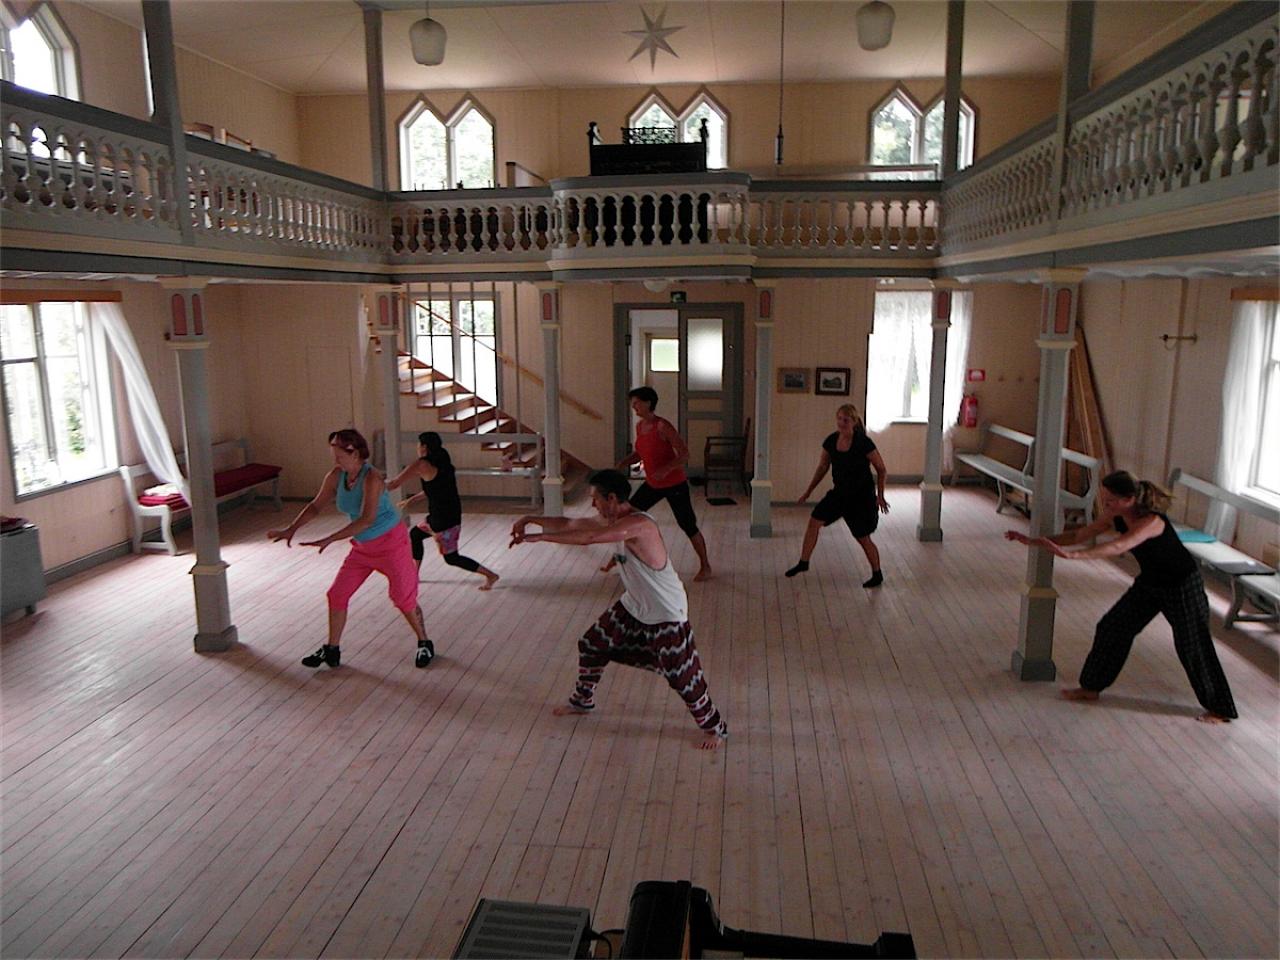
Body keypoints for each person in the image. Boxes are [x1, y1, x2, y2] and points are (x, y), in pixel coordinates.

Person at [509, 468, 728, 750]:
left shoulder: (639, 525)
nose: (593, 505)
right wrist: (531, 519)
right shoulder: (613, 519)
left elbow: (589, 538)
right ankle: (583, 701)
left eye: (596, 499)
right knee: (592, 644)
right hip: (634, 604)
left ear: (612, 498)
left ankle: (716, 728)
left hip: (666, 612)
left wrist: (541, 538)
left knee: (682, 677)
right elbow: (571, 523)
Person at [1005, 470, 1237, 723]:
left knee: (1192, 644)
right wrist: (1036, 541)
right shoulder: (1116, 515)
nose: (1106, 506)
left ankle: (1220, 709)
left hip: (1182, 585)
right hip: (1151, 582)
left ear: (1129, 499)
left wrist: (1072, 556)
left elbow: (1118, 546)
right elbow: (1078, 535)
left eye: (1110, 501)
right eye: (1104, 500)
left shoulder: (1151, 522)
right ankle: (1091, 687)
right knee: (1112, 628)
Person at [268, 429, 434, 670]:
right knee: (337, 594)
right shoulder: (337, 476)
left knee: (402, 598)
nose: (335, 460)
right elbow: (315, 506)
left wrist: (329, 539)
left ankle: (424, 641)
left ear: (355, 453)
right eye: (334, 454)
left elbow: (366, 520)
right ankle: (331, 649)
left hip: (391, 544)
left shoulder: (372, 478)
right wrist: (291, 529)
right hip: (363, 547)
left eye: (339, 455)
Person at [786, 403, 889, 586]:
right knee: (814, 522)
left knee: (863, 538)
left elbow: (881, 469)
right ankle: (803, 562)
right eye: (839, 419)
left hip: (861, 498)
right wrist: (808, 491)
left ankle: (877, 574)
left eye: (846, 420)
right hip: (839, 494)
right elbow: (822, 467)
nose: (841, 423)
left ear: (854, 422)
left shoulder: (863, 443)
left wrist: (880, 496)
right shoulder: (831, 441)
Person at [615, 386, 712, 581]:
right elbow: (641, 452)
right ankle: (629, 561)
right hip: (653, 484)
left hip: (675, 485)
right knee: (628, 515)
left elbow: (684, 454)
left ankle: (705, 566)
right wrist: (624, 463)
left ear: (648, 403)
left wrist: (666, 469)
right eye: (632, 403)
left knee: (687, 524)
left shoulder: (662, 426)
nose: (634, 407)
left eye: (636, 403)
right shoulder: (640, 427)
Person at [388, 431, 499, 591]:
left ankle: (491, 575)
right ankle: (414, 574)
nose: (417, 447)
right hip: (447, 514)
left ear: (424, 447)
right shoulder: (442, 460)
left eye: (418, 444)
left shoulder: (422, 464)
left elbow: (394, 484)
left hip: (442, 520)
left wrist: (369, 485)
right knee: (416, 534)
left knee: (451, 558)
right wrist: (411, 500)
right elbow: (434, 489)